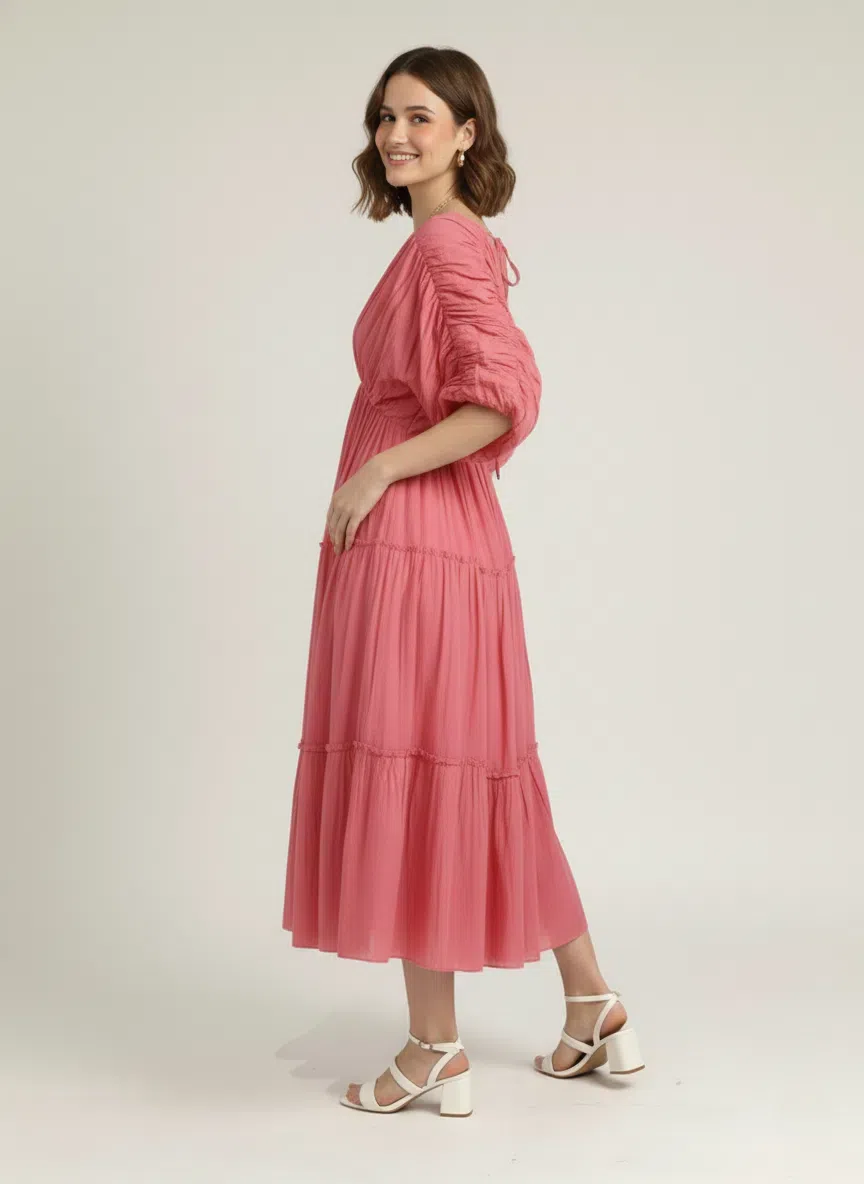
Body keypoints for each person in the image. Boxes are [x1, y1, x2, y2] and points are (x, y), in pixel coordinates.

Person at [282, 46, 644, 1116]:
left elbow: (499, 402)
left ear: (468, 133)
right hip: (447, 538)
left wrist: (380, 467)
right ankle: (593, 1003)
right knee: (477, 767)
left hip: (418, 540)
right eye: (386, 116)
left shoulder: (446, 242)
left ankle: (433, 1047)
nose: (397, 135)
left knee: (424, 766)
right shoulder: (457, 243)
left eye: (422, 118)